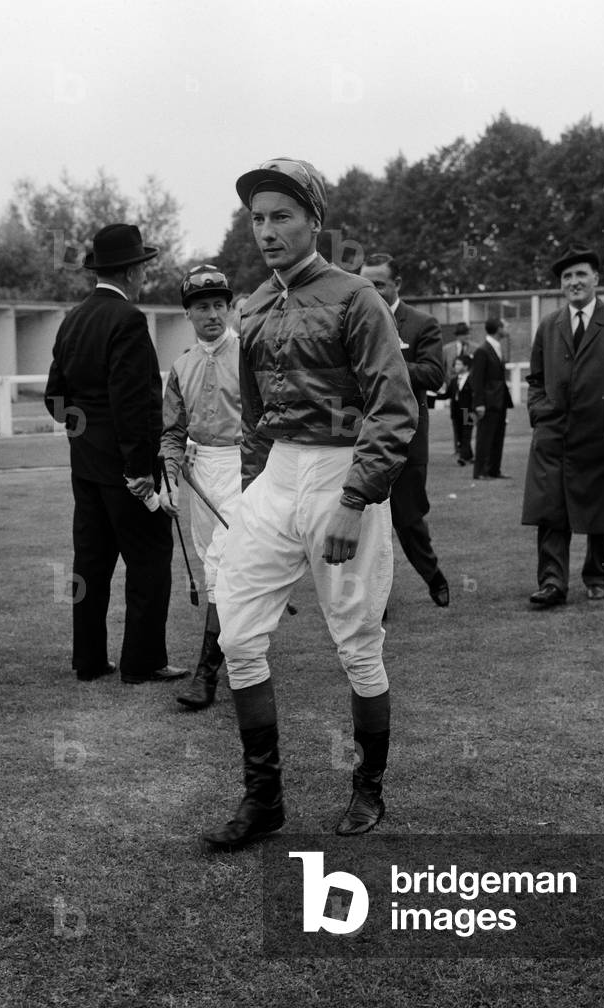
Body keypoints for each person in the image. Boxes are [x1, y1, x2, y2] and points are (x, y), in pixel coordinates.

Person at [203, 158, 417, 852]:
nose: (265, 231)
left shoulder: (357, 297)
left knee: (356, 643)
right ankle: (263, 799)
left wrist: (356, 501)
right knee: (237, 634)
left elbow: (394, 410)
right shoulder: (253, 306)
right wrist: (250, 502)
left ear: (313, 222)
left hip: (340, 477)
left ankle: (367, 789)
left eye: (280, 217)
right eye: (257, 219)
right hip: (276, 479)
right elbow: (254, 416)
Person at [44, 224, 185, 684]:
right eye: (142, 268)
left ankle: (88, 660)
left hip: (85, 466)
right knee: (149, 560)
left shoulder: (73, 319)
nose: (144, 275)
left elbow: (54, 397)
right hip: (125, 470)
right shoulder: (127, 320)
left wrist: (84, 433)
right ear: (130, 271)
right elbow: (136, 405)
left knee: (92, 564)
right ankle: (142, 661)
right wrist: (140, 470)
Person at [521, 242, 604, 607]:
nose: (574, 282)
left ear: (596, 278)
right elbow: (535, 379)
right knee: (550, 510)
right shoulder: (549, 326)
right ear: (561, 284)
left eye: (581, 274)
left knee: (600, 508)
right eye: (567, 276)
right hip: (553, 436)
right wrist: (539, 414)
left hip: (603, 435)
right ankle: (552, 582)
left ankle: (597, 576)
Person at [160, 265, 242, 710]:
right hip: (200, 472)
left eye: (218, 305)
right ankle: (243, 650)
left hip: (244, 469)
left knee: (221, 568)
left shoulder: (248, 356)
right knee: (219, 575)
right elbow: (172, 432)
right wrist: (171, 479)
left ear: (229, 308)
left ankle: (206, 674)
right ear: (187, 314)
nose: (212, 314)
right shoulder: (181, 366)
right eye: (201, 307)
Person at [360, 252, 449, 607]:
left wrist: (390, 363)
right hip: (363, 438)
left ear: (398, 284)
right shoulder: (355, 321)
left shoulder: (422, 323)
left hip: (408, 439)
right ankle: (375, 603)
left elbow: (434, 375)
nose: (372, 290)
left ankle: (434, 576)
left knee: (408, 519)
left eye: (378, 283)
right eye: (366, 284)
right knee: (365, 522)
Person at [471, 317, 513, 480]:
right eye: (505, 325)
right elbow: (477, 379)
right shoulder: (483, 350)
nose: (507, 328)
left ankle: (494, 470)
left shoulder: (497, 347)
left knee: (498, 436)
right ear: (498, 328)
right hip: (488, 402)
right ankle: (480, 471)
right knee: (485, 437)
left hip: (499, 400)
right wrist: (479, 404)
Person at [442, 353, 474, 465]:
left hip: (467, 411)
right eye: (455, 364)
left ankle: (463, 457)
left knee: (466, 434)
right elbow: (447, 394)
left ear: (466, 366)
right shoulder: (454, 380)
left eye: (458, 364)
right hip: (456, 412)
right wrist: (431, 397)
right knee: (459, 434)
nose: (455, 366)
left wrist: (473, 411)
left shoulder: (472, 379)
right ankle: (469, 455)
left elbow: (475, 396)